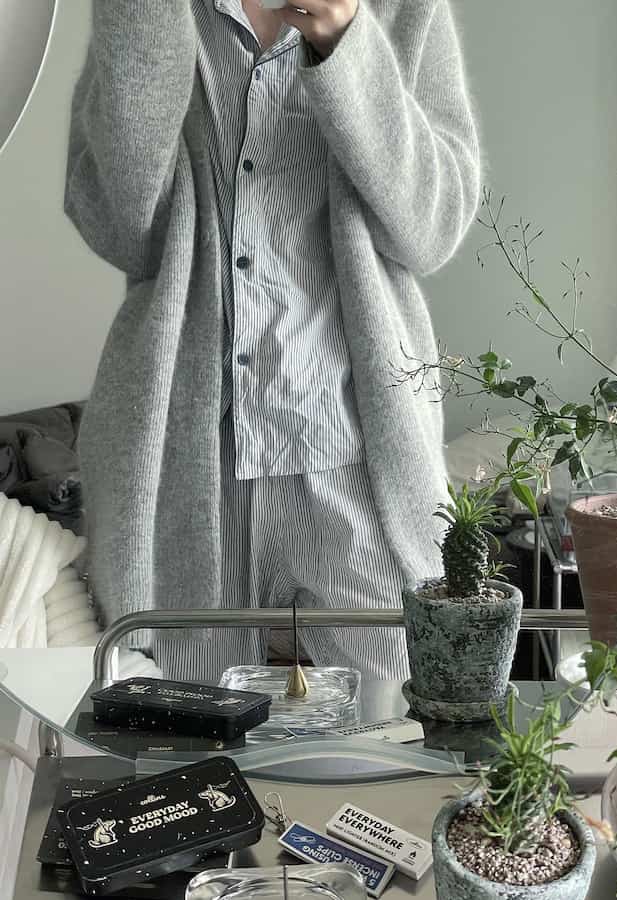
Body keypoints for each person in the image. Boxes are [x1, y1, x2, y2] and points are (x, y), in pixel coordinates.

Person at [64, 0, 482, 682]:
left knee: (405, 727)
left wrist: (346, 39)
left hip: (356, 459)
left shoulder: (401, 8)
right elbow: (120, 230)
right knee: (184, 739)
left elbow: (432, 230)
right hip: (188, 472)